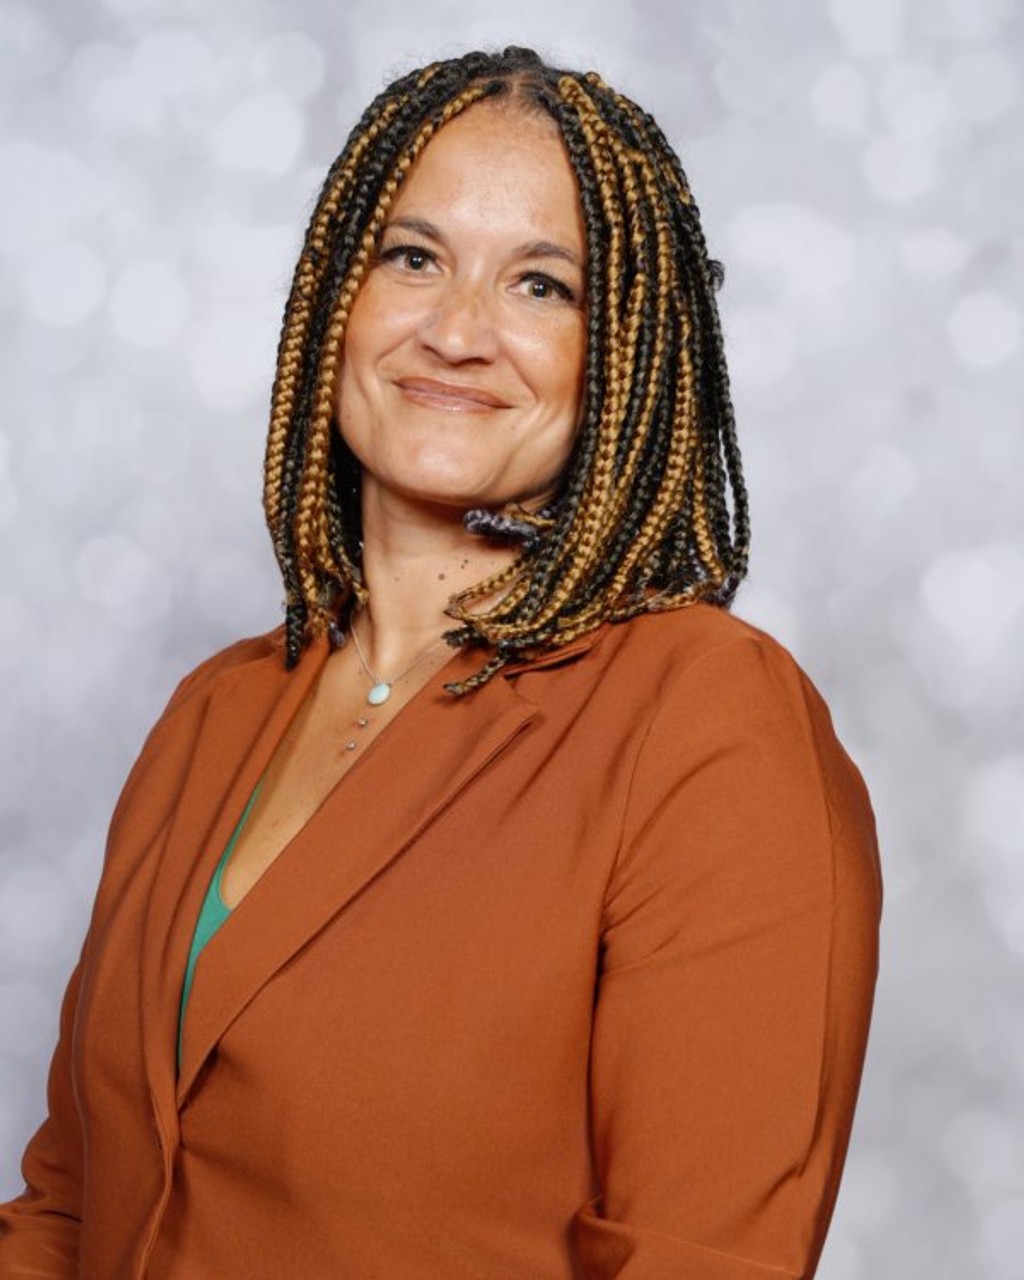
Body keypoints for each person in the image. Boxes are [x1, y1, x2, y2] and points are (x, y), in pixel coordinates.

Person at [0, 46, 881, 1280]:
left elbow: (702, 1259)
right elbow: (70, 1206)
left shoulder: (706, 718)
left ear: (626, 351)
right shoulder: (218, 707)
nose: (457, 332)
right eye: (412, 258)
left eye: (541, 284)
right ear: (335, 294)